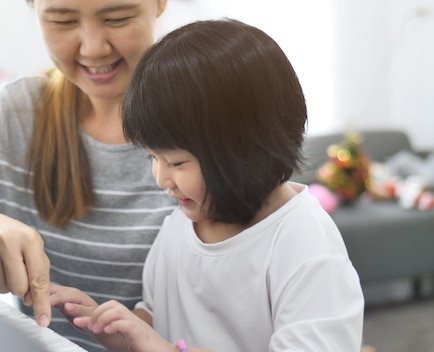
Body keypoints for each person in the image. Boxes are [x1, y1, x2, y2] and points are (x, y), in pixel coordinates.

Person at [48, 18, 365, 351]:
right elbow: (156, 322)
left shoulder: (303, 246)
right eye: (152, 158)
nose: (161, 178)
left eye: (177, 162)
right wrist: (110, 327)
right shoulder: (177, 227)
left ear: (243, 150)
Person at [0, 0, 174, 350]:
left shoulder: (217, 121)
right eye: (62, 20)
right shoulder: (20, 113)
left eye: (117, 18)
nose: (92, 47)